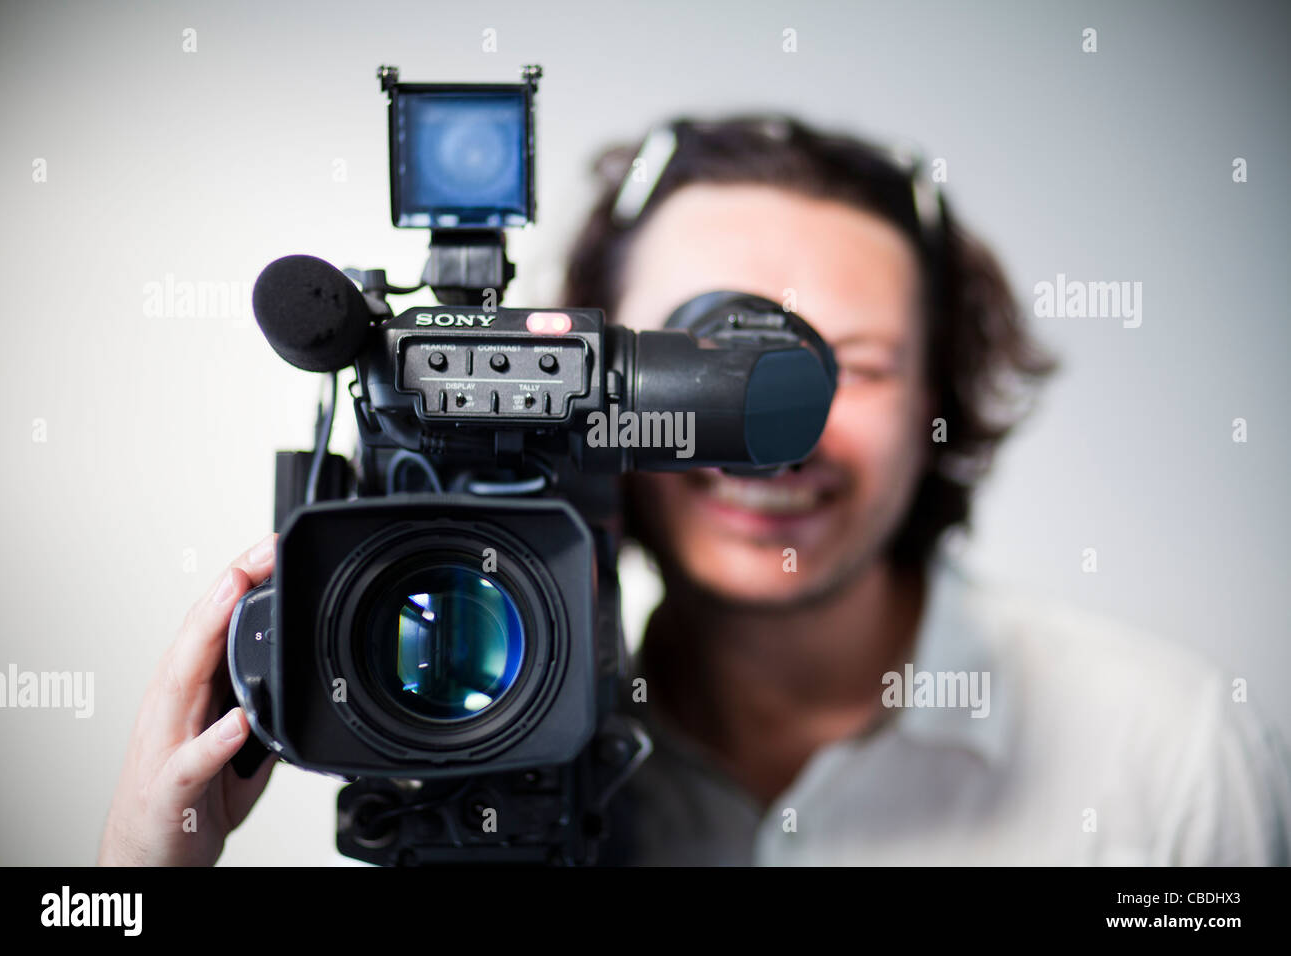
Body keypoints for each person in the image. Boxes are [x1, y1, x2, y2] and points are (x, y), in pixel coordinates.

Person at [99, 114, 1291, 866]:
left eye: (848, 367)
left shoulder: (1163, 747)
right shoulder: (463, 722)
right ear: (553, 380)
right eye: (697, 358)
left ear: (946, 395)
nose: (765, 440)